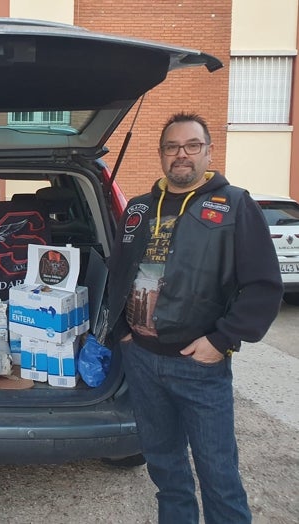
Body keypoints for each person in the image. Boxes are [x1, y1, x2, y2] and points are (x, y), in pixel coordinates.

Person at [106, 112, 283, 523]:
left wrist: (222, 341)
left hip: (198, 363)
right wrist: (121, 330)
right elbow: (118, 272)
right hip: (143, 360)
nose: (181, 155)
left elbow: (263, 286)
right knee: (166, 469)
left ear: (208, 151)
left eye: (191, 146)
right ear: (161, 154)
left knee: (218, 474)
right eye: (172, 147)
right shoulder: (138, 208)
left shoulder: (236, 205)